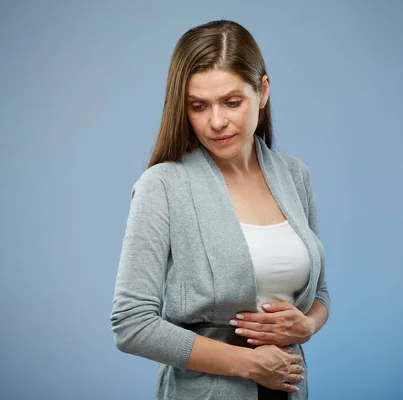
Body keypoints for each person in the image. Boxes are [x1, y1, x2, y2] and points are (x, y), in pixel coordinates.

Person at [110, 20, 330, 400]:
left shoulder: (296, 177)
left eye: (232, 102)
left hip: (290, 389)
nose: (216, 122)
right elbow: (132, 325)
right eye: (198, 106)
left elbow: (320, 294)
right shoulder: (162, 186)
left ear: (262, 91)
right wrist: (246, 364)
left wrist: (306, 327)